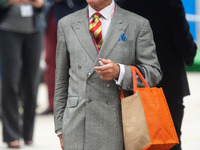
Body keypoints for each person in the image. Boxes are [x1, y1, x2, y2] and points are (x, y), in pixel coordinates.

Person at [53, 0, 162, 149]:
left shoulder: (137, 24)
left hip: (119, 126)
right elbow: (61, 80)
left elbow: (153, 72)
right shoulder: (66, 24)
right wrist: (60, 128)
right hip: (77, 128)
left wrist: (121, 72)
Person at [115, 0, 197, 149]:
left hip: (133, 81)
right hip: (169, 82)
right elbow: (183, 40)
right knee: (170, 139)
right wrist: (190, 55)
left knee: (134, 140)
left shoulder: (121, 3)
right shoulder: (170, 3)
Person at [0, 0, 46, 148]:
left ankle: (28, 133)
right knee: (10, 82)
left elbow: (48, 4)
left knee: (32, 83)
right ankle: (11, 135)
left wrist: (41, 3)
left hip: (35, 31)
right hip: (8, 30)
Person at [40, 0, 87, 115]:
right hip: (53, 15)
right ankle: (53, 105)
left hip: (76, 13)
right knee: (51, 62)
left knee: (78, 60)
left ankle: (79, 102)